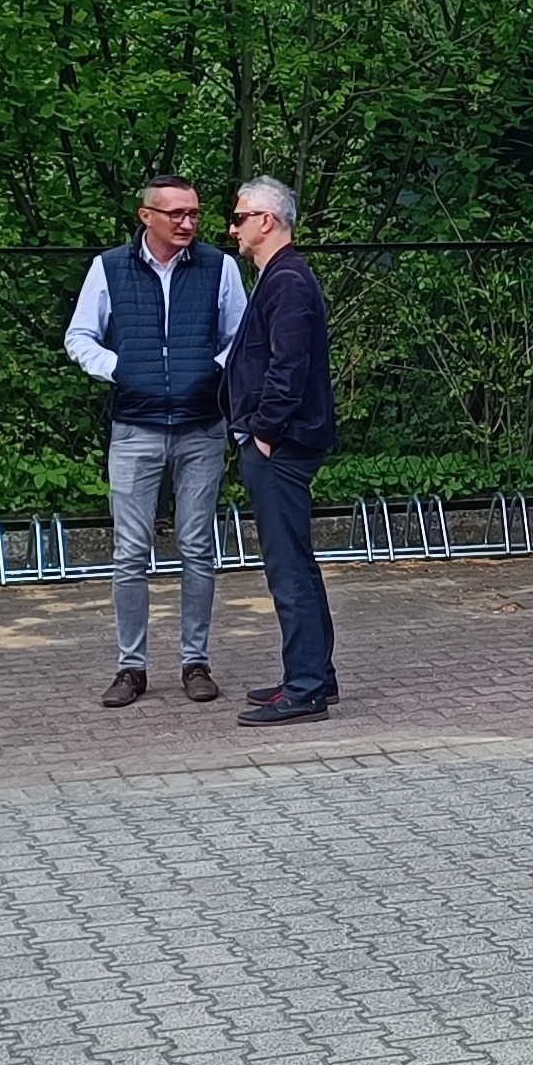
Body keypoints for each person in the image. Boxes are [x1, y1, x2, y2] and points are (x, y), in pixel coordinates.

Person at [64, 177, 249, 708]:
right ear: (147, 216)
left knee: (197, 546)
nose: (188, 223)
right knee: (129, 552)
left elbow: (240, 336)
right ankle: (131, 667)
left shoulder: (219, 267)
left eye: (194, 213)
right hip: (135, 427)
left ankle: (196, 662)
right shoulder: (109, 267)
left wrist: (208, 369)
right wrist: (122, 369)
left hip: (201, 426)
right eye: (176, 214)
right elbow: (79, 336)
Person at [220, 178, 338, 725]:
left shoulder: (286, 280)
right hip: (282, 439)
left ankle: (306, 688)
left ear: (266, 221)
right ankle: (313, 675)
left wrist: (264, 428)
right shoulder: (282, 276)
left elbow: (288, 364)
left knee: (288, 568)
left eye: (240, 217)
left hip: (281, 444)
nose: (233, 228)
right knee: (296, 563)